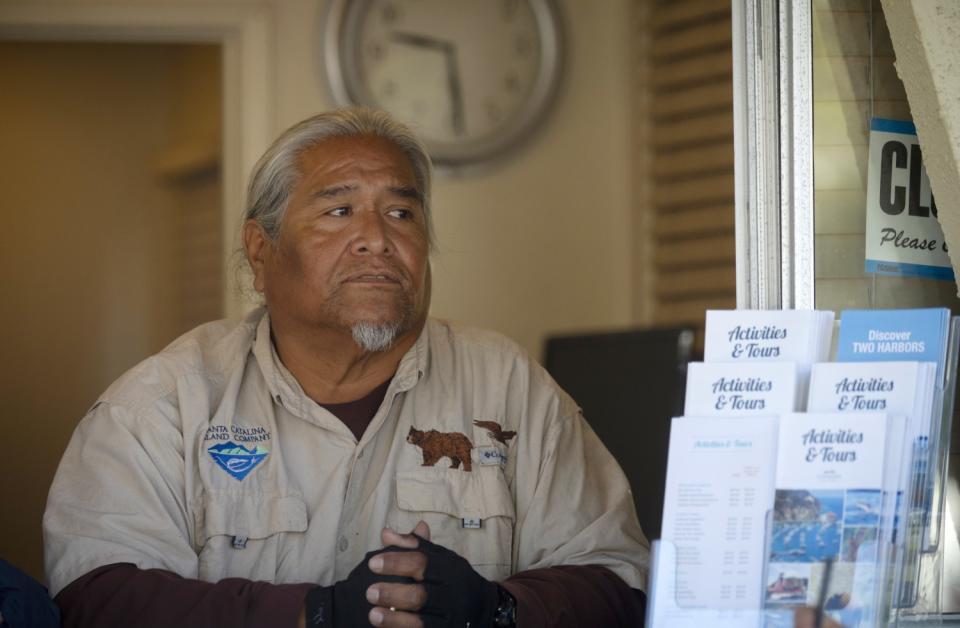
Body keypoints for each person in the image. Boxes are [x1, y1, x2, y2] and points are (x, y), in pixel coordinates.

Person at [43, 108, 649, 627]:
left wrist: (497, 610)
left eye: (401, 214)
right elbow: (98, 596)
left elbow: (620, 579)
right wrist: (316, 615)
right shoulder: (166, 403)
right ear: (261, 251)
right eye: (338, 212)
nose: (377, 239)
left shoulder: (510, 387)